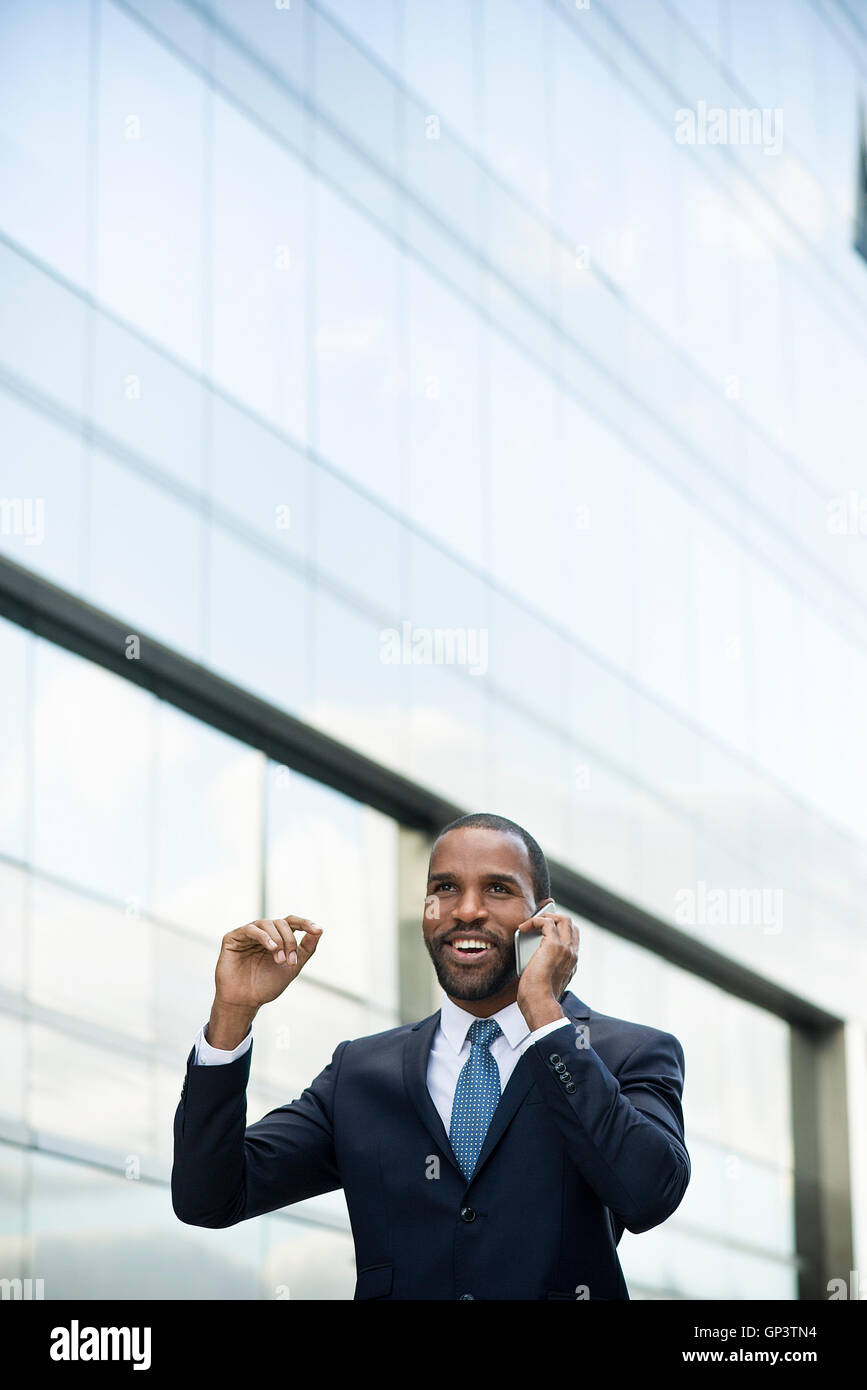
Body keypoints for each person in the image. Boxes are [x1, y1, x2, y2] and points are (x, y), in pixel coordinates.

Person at [171, 812, 690, 1299]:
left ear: (544, 921)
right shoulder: (360, 1072)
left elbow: (649, 1195)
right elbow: (209, 1197)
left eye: (498, 889)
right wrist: (232, 1013)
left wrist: (543, 1014)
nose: (466, 910)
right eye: (444, 888)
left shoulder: (626, 1054)